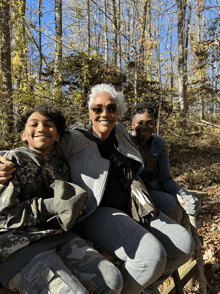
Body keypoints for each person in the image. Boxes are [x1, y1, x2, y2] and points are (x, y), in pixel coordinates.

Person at [0, 85, 194, 294]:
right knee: (152, 256)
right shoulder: (74, 138)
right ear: (89, 111)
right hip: (99, 209)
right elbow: (32, 147)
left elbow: (144, 146)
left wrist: (159, 148)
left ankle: (144, 286)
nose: (105, 114)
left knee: (184, 245)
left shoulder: (121, 133)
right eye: (97, 109)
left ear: (118, 113)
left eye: (111, 108)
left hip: (134, 201)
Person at [0, 103, 123, 294]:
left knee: (112, 281)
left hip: (59, 239)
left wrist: (73, 209)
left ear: (58, 135)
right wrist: (50, 206)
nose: (41, 128)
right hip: (21, 248)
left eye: (49, 125)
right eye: (34, 124)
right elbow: (3, 217)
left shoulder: (61, 165)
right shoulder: (12, 161)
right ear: (23, 135)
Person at [129, 101, 200, 226]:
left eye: (150, 123)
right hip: (134, 192)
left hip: (155, 188)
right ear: (132, 124)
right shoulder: (125, 141)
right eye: (140, 123)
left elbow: (166, 178)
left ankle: (188, 242)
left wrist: (182, 193)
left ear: (155, 125)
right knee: (172, 205)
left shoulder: (159, 143)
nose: (145, 127)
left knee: (182, 208)